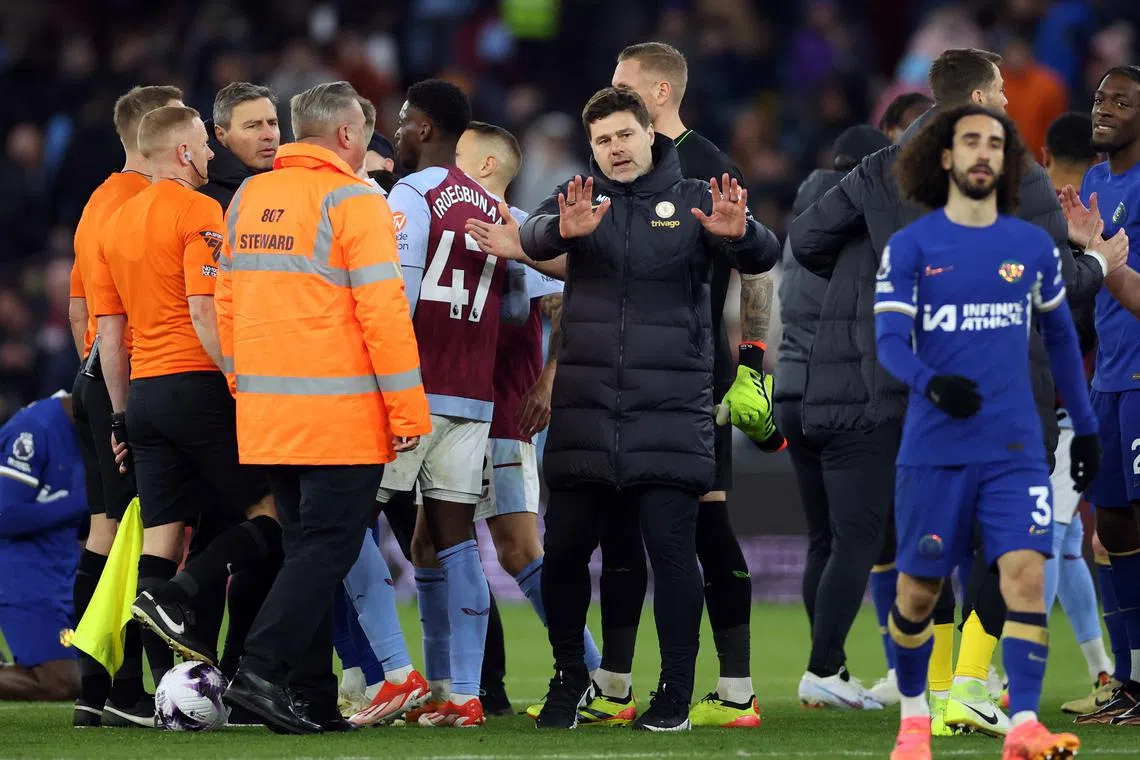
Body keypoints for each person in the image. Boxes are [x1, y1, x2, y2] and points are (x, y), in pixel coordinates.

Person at [788, 47, 1110, 718]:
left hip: (913, 387)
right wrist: (1097, 260)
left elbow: (811, 240)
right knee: (1007, 541)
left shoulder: (881, 172)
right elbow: (1057, 288)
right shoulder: (1021, 173)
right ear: (987, 97)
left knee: (928, 535)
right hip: (1004, 382)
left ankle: (938, 687)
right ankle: (965, 682)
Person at [500, 86, 779, 731]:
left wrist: (744, 234)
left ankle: (675, 693)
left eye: (624, 135)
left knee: (672, 554)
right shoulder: (579, 198)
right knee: (566, 552)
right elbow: (533, 234)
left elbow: (761, 254)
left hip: (672, 407)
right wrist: (556, 231)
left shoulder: (694, 197)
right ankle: (572, 675)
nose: (614, 149)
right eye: (602, 140)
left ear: (650, 133)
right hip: (589, 407)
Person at [875, 103, 1095, 760]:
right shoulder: (912, 246)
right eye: (969, 141)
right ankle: (915, 720)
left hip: (1015, 450)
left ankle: (1024, 723)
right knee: (919, 592)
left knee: (1025, 574)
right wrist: (929, 381)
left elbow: (1059, 337)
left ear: (1004, 162)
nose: (981, 153)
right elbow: (888, 339)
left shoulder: (1030, 246)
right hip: (934, 450)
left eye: (994, 144)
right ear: (945, 157)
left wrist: (1085, 429)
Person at [215, 80, 430, 735]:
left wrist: (243, 385)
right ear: (345, 135)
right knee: (327, 551)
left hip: (266, 411)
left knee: (303, 553)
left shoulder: (249, 195)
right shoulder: (354, 198)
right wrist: (408, 410)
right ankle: (258, 671)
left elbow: (227, 304)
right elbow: (383, 312)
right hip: (338, 414)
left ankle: (306, 698)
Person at [88, 106, 281, 684]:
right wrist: (237, 378)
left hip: (143, 395)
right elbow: (204, 309)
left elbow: (109, 335)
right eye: (204, 145)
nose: (212, 155)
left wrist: (120, 416)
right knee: (273, 517)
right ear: (183, 153)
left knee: (163, 538)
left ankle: (162, 687)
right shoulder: (200, 210)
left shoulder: (116, 223)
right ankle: (178, 596)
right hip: (196, 384)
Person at [379, 78, 528, 729]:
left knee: (344, 526)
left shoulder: (412, 194)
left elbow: (399, 294)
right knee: (455, 542)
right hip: (473, 397)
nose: (400, 129)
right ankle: (462, 694)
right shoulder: (501, 212)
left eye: (406, 120)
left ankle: (387, 673)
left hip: (412, 392)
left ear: (429, 129)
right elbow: (528, 297)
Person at [457, 121, 605, 717]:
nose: (451, 164)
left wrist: (547, 379)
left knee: (519, 549)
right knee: (433, 544)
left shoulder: (523, 230)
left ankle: (589, 669)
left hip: (506, 411)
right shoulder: (440, 218)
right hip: (448, 407)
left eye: (461, 157)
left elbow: (561, 303)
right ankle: (461, 686)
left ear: (489, 165)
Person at [66, 83, 183, 728]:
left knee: (106, 532)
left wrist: (91, 386)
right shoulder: (150, 204)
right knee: (147, 532)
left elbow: (78, 307)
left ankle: (95, 688)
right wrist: (123, 402)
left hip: (92, 376)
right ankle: (132, 689)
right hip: (132, 379)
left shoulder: (97, 204)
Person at [773, 124, 895, 709]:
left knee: (824, 538)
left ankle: (833, 669)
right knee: (859, 538)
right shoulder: (861, 225)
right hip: (845, 392)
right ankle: (827, 667)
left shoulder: (808, 210)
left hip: (792, 394)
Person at [1058, 64, 1140, 726]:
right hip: (1107, 377)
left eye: (1121, 101)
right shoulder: (1093, 184)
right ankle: (1132, 680)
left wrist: (1103, 262)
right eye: (1099, 99)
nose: (1104, 109)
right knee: (1108, 528)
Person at [1039, 111, 1118, 716]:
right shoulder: (1100, 210)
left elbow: (1070, 314)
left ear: (1044, 155)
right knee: (1066, 541)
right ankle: (1104, 672)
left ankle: (1002, 680)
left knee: (1044, 540)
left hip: (1070, 404)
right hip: (1090, 396)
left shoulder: (1063, 217)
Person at [0, 391, 85, 702]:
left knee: (91, 676)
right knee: (61, 683)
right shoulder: (34, 429)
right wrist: (89, 501)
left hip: (60, 576)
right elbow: (4, 516)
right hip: (21, 577)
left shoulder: (87, 430)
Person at [198, 82, 280, 210]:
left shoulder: (294, 183)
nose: (269, 135)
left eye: (273, 123)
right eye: (252, 126)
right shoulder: (200, 196)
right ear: (221, 134)